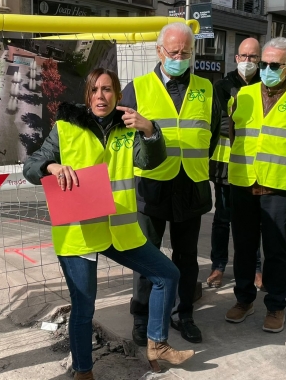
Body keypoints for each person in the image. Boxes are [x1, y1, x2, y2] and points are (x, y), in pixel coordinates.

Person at [23, 68, 194, 380]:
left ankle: (157, 344)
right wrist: (52, 165)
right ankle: (83, 372)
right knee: (84, 305)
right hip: (79, 233)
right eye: (95, 90)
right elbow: (31, 166)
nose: (101, 96)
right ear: (87, 96)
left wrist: (150, 131)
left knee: (167, 275)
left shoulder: (127, 130)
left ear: (117, 95)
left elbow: (150, 160)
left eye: (107, 90)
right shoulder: (65, 127)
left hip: (119, 229)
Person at [124, 22, 220, 345]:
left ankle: (184, 314)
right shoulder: (137, 88)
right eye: (173, 51)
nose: (180, 57)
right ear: (159, 51)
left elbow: (215, 132)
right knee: (146, 256)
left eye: (185, 52)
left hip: (191, 185)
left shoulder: (206, 89)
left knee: (187, 257)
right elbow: (121, 139)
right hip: (152, 187)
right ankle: (142, 317)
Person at [224, 37, 286, 333]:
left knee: (275, 249)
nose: (265, 68)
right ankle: (244, 299)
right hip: (242, 182)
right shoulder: (243, 95)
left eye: (273, 65)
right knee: (243, 246)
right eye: (263, 63)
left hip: (278, 186)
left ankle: (276, 305)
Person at [207, 37, 263, 289]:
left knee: (257, 219)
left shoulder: (266, 84)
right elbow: (216, 121)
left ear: (259, 60)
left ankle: (256, 268)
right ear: (236, 58)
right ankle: (218, 266)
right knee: (222, 218)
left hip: (257, 164)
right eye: (244, 56)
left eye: (253, 57)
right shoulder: (222, 86)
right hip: (226, 164)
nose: (248, 61)